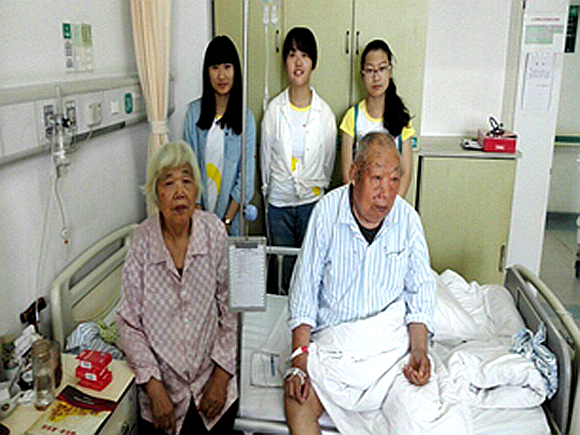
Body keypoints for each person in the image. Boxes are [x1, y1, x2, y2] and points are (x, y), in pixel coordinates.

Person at [284, 132, 436, 434]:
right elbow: (304, 290)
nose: (386, 192)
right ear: (354, 174)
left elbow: (420, 294)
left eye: (394, 180)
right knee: (297, 401)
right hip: (335, 346)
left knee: (418, 417)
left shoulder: (408, 221)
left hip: (390, 354)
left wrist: (420, 350)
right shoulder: (327, 212)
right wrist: (299, 363)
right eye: (377, 178)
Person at [117, 141, 238, 434]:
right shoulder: (142, 244)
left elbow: (232, 310)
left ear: (196, 190)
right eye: (168, 183)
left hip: (212, 382)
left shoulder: (213, 232)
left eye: (186, 180)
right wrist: (154, 388)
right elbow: (129, 323)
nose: (179, 192)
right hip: (163, 393)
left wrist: (221, 378)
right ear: (156, 194)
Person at [261, 27, 336, 287]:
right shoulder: (274, 111)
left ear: (313, 62)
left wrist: (313, 188)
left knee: (310, 271)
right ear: (285, 62)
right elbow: (265, 163)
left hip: (311, 203)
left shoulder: (325, 114)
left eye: (304, 55)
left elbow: (328, 164)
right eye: (292, 54)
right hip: (279, 204)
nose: (298, 62)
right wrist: (273, 192)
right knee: (282, 272)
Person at [184, 35, 256, 236]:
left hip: (232, 221)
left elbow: (246, 178)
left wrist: (226, 222)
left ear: (235, 71)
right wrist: (201, 220)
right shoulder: (193, 115)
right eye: (215, 67)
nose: (221, 75)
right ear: (207, 72)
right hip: (198, 220)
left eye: (227, 67)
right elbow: (189, 170)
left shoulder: (245, 118)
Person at [340, 39, 414, 197]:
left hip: (391, 202)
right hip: (360, 202)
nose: (376, 77)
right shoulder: (352, 117)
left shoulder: (401, 118)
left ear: (390, 71)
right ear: (362, 75)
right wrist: (361, 206)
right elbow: (347, 175)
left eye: (382, 69)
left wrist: (391, 205)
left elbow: (406, 174)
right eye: (370, 70)